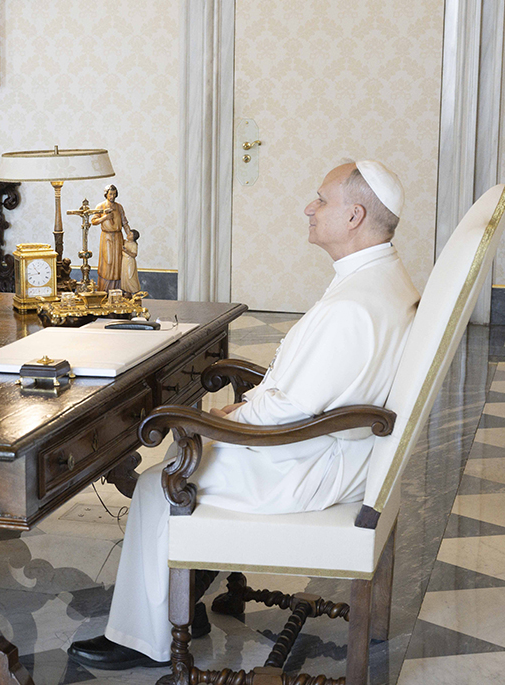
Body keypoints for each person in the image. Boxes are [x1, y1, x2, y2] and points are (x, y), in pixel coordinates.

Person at [68, 160, 421, 669]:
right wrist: (244, 410)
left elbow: (292, 411)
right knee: (194, 451)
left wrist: (225, 420)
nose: (309, 207)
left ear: (354, 216)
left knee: (160, 483)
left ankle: (144, 638)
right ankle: (183, 602)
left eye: (321, 199)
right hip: (336, 449)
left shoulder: (353, 306)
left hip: (308, 465)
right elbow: (305, 393)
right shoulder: (381, 277)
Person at [91, 184, 130, 292]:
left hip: (118, 237)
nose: (112, 196)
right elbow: (93, 221)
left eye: (114, 194)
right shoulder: (101, 206)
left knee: (118, 263)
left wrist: (129, 235)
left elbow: (124, 222)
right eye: (110, 194)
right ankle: (104, 290)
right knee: (108, 262)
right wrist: (105, 217)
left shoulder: (119, 207)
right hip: (107, 236)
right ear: (106, 194)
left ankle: (117, 290)